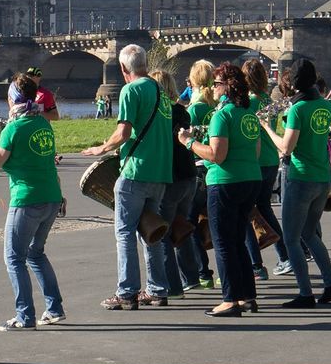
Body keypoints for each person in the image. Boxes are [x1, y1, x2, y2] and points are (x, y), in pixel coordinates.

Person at [0, 74, 66, 330]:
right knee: (36, 253)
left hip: (26, 199)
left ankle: (25, 316)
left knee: (14, 258)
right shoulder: (43, 124)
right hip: (51, 196)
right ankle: (54, 308)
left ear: (13, 98)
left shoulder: (14, 128)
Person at [82, 44, 173, 310]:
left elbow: (123, 133)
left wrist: (102, 148)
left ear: (123, 69)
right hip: (160, 172)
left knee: (124, 232)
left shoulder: (130, 90)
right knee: (150, 231)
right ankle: (157, 289)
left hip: (136, 170)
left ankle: (127, 292)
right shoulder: (160, 90)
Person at [179, 63, 262, 317]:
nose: (212, 88)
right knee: (238, 240)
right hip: (251, 179)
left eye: (216, 84)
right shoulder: (248, 114)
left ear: (226, 86)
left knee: (223, 243)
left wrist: (189, 141)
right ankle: (247, 296)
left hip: (225, 182)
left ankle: (229, 299)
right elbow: (256, 150)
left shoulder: (221, 115)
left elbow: (217, 155)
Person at [261, 59, 331, 308]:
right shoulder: (324, 105)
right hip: (321, 177)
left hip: (300, 176)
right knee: (310, 234)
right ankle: (330, 284)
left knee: (292, 239)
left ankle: (305, 293)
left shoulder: (298, 110)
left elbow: (287, 147)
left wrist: (267, 128)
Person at [152, 69, 202, 297]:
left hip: (170, 177)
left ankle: (172, 285)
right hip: (189, 175)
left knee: (163, 231)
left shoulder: (160, 113)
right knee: (181, 226)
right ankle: (192, 276)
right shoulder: (182, 112)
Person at [242, 60, 288, 280]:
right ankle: (285, 255)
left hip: (256, 161)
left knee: (248, 213)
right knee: (265, 209)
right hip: (270, 159)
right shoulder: (267, 100)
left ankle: (255, 264)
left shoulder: (249, 103)